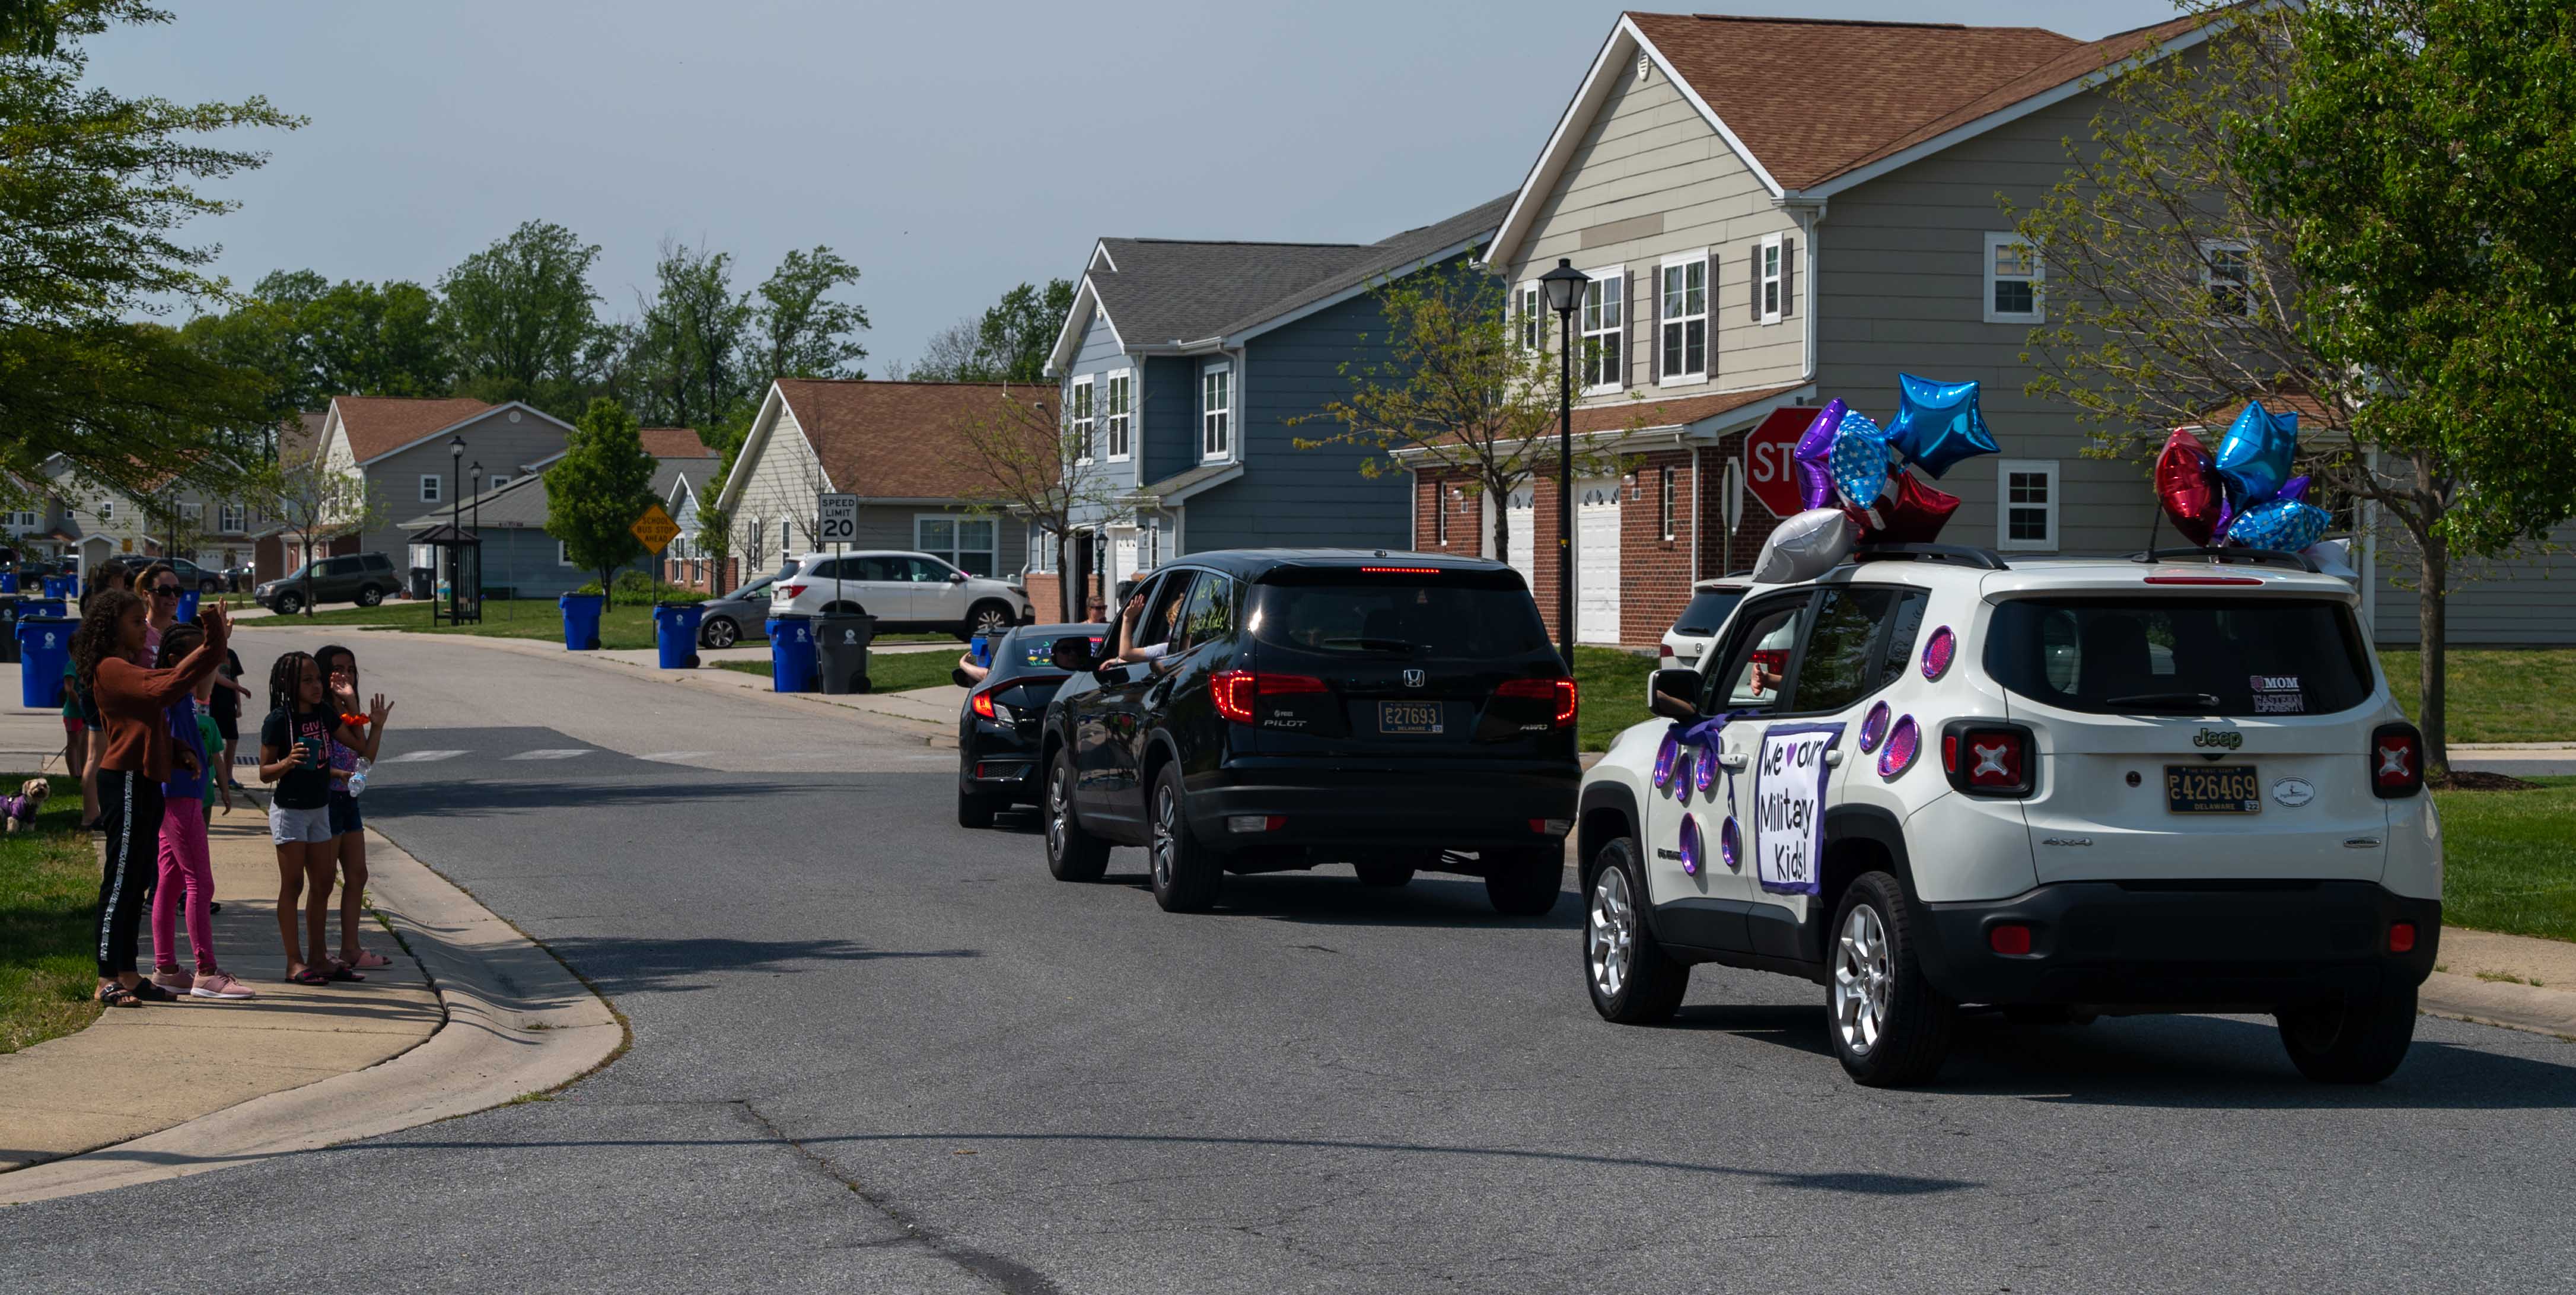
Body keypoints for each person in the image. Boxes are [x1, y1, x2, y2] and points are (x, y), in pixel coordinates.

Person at [72, 590, 228, 1007]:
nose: (145, 628)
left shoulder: (128, 667)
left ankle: (129, 972)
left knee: (139, 880)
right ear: (112, 628)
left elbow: (142, 724)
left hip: (144, 780)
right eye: (137, 622)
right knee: (121, 880)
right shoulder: (111, 669)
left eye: (145, 622)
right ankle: (106, 976)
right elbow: (166, 686)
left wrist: (178, 751)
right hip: (123, 780)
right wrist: (213, 643)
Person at [260, 650, 381, 985]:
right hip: (290, 811)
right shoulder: (278, 720)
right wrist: (286, 763)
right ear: (289, 684)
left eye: (318, 679)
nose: (316, 686)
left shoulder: (325, 714)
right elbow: (264, 773)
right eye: (308, 680)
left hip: (319, 809)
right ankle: (294, 962)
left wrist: (351, 704)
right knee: (294, 884)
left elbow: (358, 745)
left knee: (324, 883)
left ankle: (318, 957)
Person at [147, 625, 250, 1000]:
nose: (208, 660)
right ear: (176, 661)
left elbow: (206, 687)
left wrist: (217, 642)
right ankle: (206, 973)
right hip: (180, 795)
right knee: (200, 884)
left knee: (171, 881)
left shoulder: (184, 691)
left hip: (181, 793)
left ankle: (166, 969)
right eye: (200, 654)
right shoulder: (172, 687)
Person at [313, 644, 393, 969]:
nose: (344, 675)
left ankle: (351, 949)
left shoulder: (348, 709)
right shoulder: (321, 712)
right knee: (325, 879)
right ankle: (319, 954)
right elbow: (316, 761)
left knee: (358, 875)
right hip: (327, 800)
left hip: (349, 800)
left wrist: (376, 724)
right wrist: (337, 773)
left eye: (350, 669)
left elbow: (365, 756)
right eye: (337, 669)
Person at [1112, 587, 1185, 664]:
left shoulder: (1167, 649)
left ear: (1173, 623)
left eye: (1170, 622)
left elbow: (1126, 654)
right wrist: (1117, 661)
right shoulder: (1195, 649)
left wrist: (1128, 619)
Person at [137, 561, 181, 662]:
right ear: (146, 595)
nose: (173, 596)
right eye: (165, 590)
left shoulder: (185, 633)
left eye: (177, 590)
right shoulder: (137, 633)